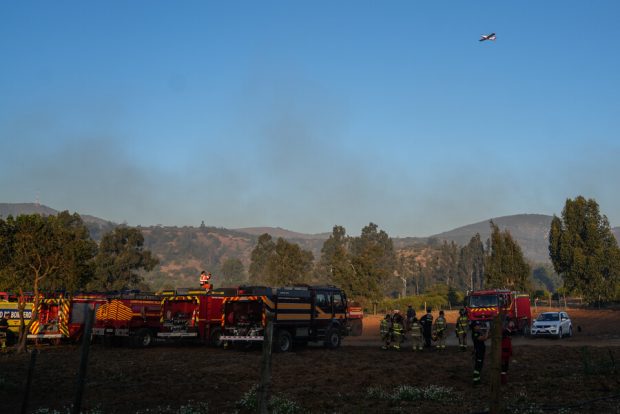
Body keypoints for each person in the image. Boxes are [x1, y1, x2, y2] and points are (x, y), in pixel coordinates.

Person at [472, 321, 489, 386]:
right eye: (477, 325)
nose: (479, 326)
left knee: (480, 366)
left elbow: (485, 337)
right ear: (474, 327)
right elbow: (484, 338)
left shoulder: (478, 332)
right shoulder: (475, 333)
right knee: (478, 367)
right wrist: (487, 330)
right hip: (479, 352)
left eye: (479, 325)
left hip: (481, 352)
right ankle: (475, 382)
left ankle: (478, 380)